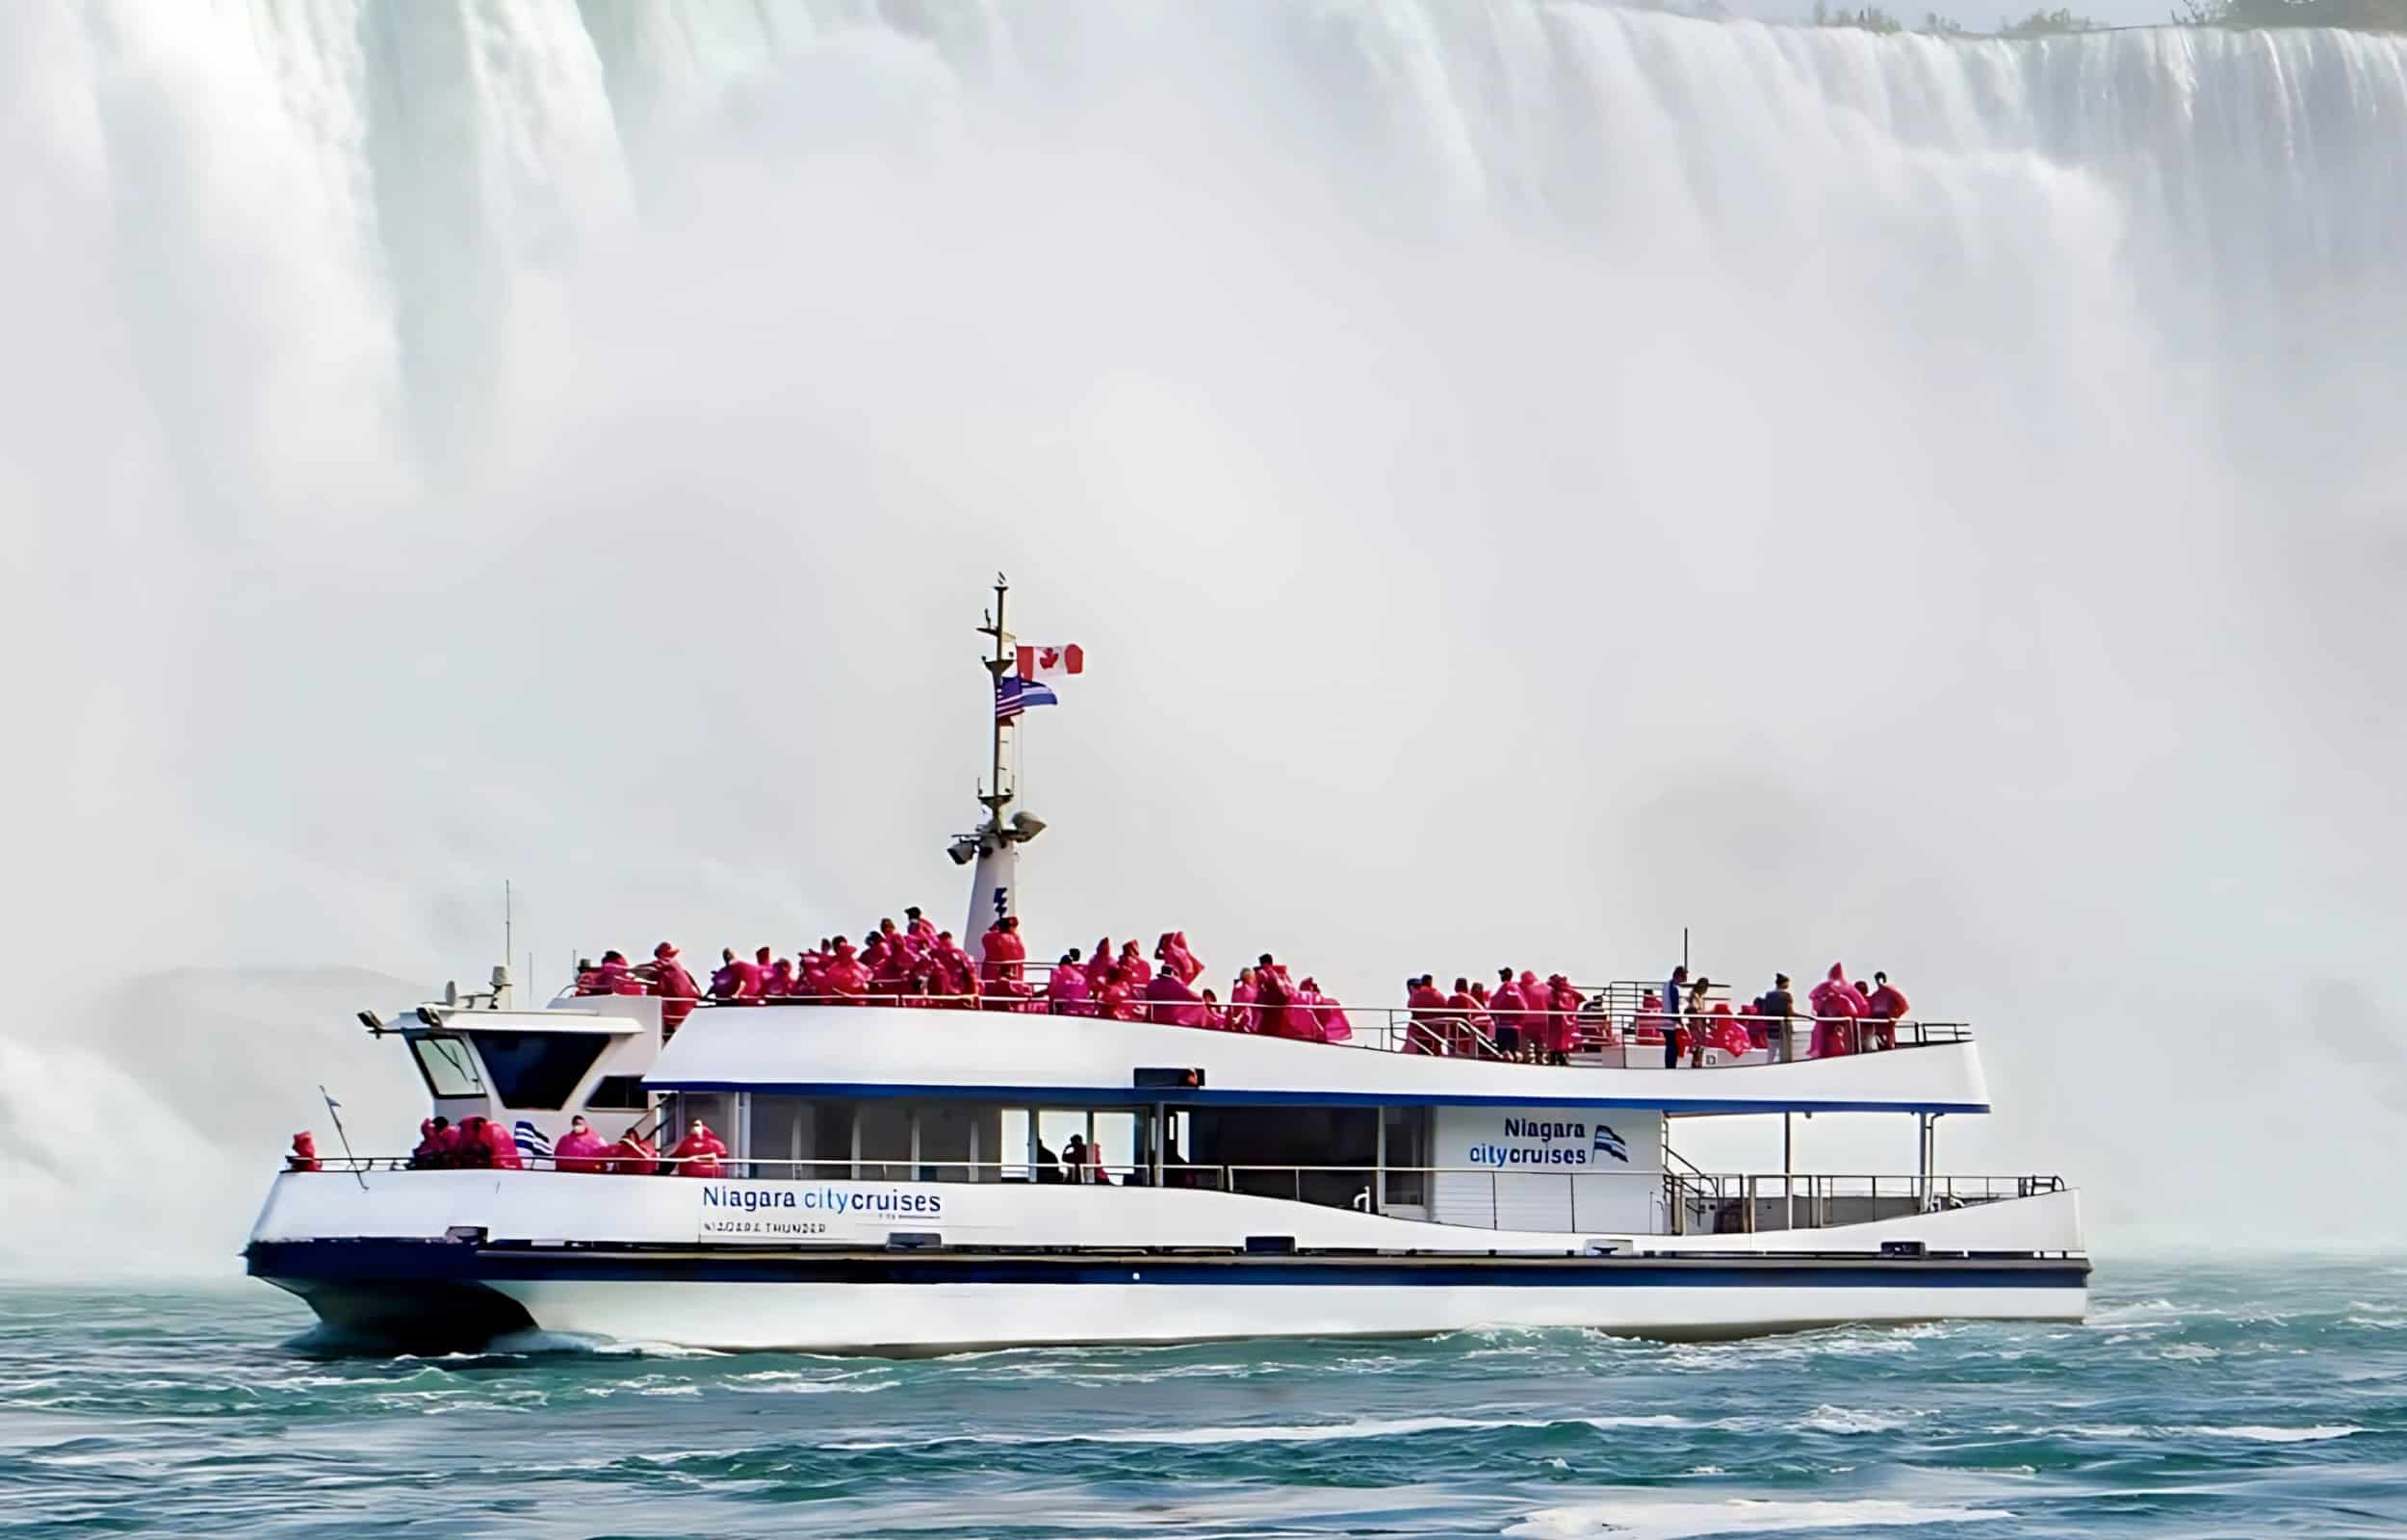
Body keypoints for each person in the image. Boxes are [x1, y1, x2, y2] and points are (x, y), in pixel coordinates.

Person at [640, 942, 703, 1035]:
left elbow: (648, 971)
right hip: (689, 1007)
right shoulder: (679, 968)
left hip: (676, 1010)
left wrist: (629, 970)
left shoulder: (666, 963)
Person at [1809, 963, 1867, 1057]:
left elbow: (1812, 997)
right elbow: (1863, 1008)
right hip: (1846, 1025)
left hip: (1837, 1025)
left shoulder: (1827, 994)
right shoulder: (1849, 990)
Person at [1144, 967, 1210, 1027]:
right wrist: (1202, 999)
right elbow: (1194, 997)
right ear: (1172, 973)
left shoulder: (1152, 983)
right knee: (1199, 1006)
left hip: (1153, 1014)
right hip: (1170, 1017)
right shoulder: (1176, 984)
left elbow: (1147, 996)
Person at [1863, 971, 1910, 1051]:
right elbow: (1867, 1004)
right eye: (1877, 979)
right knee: (1879, 1039)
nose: (1879, 981)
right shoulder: (1876, 995)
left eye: (1880, 979)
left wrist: (1895, 1015)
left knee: (1888, 1041)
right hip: (1877, 1023)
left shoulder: (1891, 992)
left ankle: (1889, 1047)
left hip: (1888, 1021)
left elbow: (1904, 1005)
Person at [1755, 972, 1797, 1063]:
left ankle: (1767, 1068)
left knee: (1771, 1053)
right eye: (1788, 983)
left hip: (1770, 1027)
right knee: (1785, 1052)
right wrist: (1805, 1016)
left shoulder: (1768, 995)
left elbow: (1766, 1011)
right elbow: (1790, 1012)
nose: (1789, 985)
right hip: (1783, 1029)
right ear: (1783, 983)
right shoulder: (1786, 995)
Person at [1406, 974, 1451, 1054]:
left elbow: (1410, 1006)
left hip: (1422, 1030)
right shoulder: (1439, 995)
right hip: (1439, 1031)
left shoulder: (1417, 995)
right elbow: (1445, 1007)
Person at [1488, 967, 1528, 1059]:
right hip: (1515, 1027)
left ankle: (1507, 1054)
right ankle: (1514, 1055)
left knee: (1504, 1049)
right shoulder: (1517, 989)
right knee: (1513, 1049)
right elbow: (1524, 1005)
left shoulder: (1503, 988)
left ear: (1503, 976)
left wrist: (1493, 1016)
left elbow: (1495, 1003)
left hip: (1502, 1026)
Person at [1663, 964, 1691, 1068]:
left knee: (1669, 1045)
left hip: (1665, 1020)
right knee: (1673, 1046)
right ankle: (1671, 1066)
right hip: (1671, 1022)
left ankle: (1668, 1065)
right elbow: (1674, 1007)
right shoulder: (1674, 989)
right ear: (1679, 976)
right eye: (1683, 978)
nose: (1682, 982)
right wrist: (1680, 1021)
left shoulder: (1666, 985)